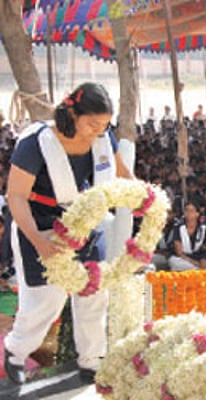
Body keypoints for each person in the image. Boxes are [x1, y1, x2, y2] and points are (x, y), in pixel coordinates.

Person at [3, 82, 132, 385]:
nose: (96, 131)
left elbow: (122, 172)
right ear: (72, 114)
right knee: (46, 299)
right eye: (91, 124)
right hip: (38, 221)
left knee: (93, 291)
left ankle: (91, 359)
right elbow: (16, 196)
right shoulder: (35, 142)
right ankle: (16, 351)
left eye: (103, 125)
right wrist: (38, 239)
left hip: (83, 219)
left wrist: (145, 196)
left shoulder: (103, 136)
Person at [168, 201, 206, 271]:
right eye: (186, 210)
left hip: (202, 257)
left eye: (191, 211)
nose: (188, 213)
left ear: (197, 214)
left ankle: (202, 269)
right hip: (187, 258)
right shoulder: (178, 227)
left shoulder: (204, 225)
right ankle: (203, 269)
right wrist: (197, 263)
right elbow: (179, 253)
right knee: (173, 261)